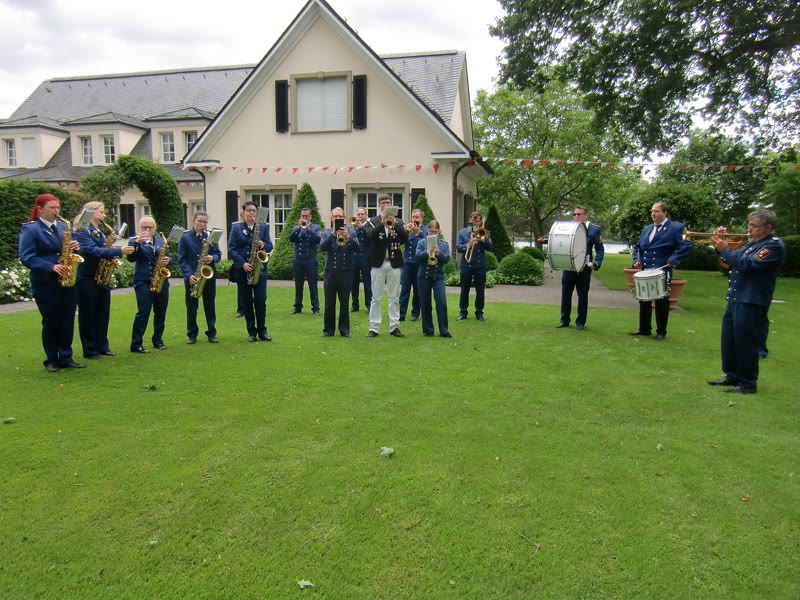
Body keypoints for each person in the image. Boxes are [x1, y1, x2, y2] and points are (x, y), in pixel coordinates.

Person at [707, 209, 785, 394]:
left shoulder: (773, 246)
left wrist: (725, 248)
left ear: (768, 228)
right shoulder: (751, 245)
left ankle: (748, 383)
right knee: (730, 340)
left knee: (745, 342)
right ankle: (732, 375)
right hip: (737, 297)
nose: (749, 229)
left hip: (751, 299)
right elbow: (730, 262)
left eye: (753, 226)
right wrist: (721, 246)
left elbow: (748, 265)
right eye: (749, 225)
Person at [18, 193, 85, 372]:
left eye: (58, 207)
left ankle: (66, 356)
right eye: (52, 208)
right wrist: (51, 266)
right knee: (51, 320)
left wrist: (76, 247)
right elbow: (26, 257)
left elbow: (70, 250)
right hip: (46, 282)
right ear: (40, 209)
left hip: (66, 281)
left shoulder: (64, 227)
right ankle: (51, 358)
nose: (57, 211)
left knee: (67, 319)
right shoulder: (30, 229)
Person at [75, 201, 135, 359]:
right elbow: (91, 250)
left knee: (102, 313)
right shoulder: (82, 231)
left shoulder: (98, 232)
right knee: (88, 314)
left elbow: (103, 249)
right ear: (90, 212)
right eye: (101, 212)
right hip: (87, 277)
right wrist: (118, 251)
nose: (104, 215)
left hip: (101, 276)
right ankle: (90, 349)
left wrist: (111, 250)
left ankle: (102, 346)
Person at [629, 202, 692, 340]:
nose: (653, 214)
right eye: (652, 211)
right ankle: (644, 329)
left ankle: (661, 332)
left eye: (656, 211)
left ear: (665, 212)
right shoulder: (647, 229)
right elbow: (638, 247)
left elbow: (686, 245)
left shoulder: (676, 228)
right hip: (646, 269)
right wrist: (636, 260)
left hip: (662, 270)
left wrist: (674, 259)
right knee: (644, 299)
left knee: (661, 301)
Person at [228, 202, 273, 342]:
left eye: (254, 211)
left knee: (260, 300)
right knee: (246, 302)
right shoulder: (236, 228)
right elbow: (231, 249)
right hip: (243, 270)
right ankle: (251, 332)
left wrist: (263, 244)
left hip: (259, 269)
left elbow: (270, 246)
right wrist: (242, 263)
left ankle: (262, 331)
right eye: (249, 210)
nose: (252, 213)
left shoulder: (262, 227)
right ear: (243, 213)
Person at [555, 205, 604, 330]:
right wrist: (545, 240)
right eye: (574, 214)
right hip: (569, 266)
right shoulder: (569, 228)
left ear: (585, 215)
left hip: (584, 267)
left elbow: (600, 249)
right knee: (566, 293)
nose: (576, 216)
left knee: (582, 295)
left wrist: (597, 263)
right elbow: (558, 238)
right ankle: (564, 320)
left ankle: (580, 322)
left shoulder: (594, 230)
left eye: (579, 214)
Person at [127, 216, 171, 353]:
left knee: (160, 312)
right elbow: (130, 258)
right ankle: (136, 343)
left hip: (160, 281)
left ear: (154, 228)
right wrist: (137, 244)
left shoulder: (161, 241)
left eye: (150, 227)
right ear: (139, 228)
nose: (147, 230)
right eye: (144, 227)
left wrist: (168, 260)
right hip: (143, 281)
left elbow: (169, 258)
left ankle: (158, 340)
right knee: (143, 311)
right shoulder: (134, 241)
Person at [366, 196, 408, 337]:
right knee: (376, 297)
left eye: (388, 203)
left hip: (393, 262)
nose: (385, 204)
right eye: (383, 203)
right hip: (377, 263)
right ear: (379, 205)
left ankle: (394, 326)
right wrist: (382, 222)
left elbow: (405, 238)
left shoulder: (399, 222)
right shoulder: (373, 221)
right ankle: (374, 327)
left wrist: (394, 224)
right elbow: (369, 236)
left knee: (394, 297)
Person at [178, 211, 222, 344]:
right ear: (193, 221)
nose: (203, 224)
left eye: (205, 222)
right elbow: (182, 259)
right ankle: (192, 334)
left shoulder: (210, 237)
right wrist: (189, 275)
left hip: (208, 277)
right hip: (193, 277)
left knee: (210, 305)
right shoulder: (185, 237)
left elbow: (218, 254)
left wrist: (212, 258)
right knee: (191, 307)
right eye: (200, 221)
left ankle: (211, 333)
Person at [320, 207, 359, 337]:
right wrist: (333, 234)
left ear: (344, 218)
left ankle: (344, 330)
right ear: (331, 218)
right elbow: (322, 247)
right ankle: (328, 330)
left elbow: (358, 249)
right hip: (330, 271)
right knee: (329, 303)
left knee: (344, 302)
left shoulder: (351, 232)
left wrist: (348, 238)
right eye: (335, 217)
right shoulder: (326, 233)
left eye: (340, 217)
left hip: (345, 271)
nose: (338, 219)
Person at [415, 220, 451, 338]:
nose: (433, 234)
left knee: (441, 302)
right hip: (423, 276)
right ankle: (428, 329)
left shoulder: (443, 244)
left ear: (439, 231)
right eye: (431, 231)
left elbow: (446, 259)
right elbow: (418, 257)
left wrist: (438, 253)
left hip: (438, 276)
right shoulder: (421, 242)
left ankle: (444, 330)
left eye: (435, 232)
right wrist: (427, 252)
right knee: (425, 303)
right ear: (427, 230)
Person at [456, 211, 494, 321]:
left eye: (477, 221)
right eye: (473, 221)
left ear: (480, 222)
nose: (475, 223)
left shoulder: (485, 232)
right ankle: (463, 312)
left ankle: (479, 313)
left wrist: (482, 239)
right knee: (464, 290)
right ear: (469, 220)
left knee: (480, 290)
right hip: (466, 264)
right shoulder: (462, 232)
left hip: (479, 265)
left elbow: (490, 248)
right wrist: (468, 244)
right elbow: (458, 248)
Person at [288, 207, 321, 315]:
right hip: (298, 259)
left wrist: (308, 230)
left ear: (310, 216)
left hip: (310, 259)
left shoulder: (316, 227)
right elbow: (291, 238)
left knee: (313, 284)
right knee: (298, 285)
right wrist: (298, 228)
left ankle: (315, 307)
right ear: (300, 216)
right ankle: (297, 306)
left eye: (307, 216)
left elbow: (319, 240)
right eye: (303, 216)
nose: (305, 218)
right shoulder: (295, 227)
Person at [399, 208, 427, 322]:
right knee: (404, 289)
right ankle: (401, 313)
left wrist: (418, 232)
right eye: (413, 217)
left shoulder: (425, 230)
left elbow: (427, 242)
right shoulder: (408, 229)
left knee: (417, 290)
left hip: (419, 263)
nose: (415, 219)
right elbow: (400, 242)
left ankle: (415, 313)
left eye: (417, 217)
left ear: (422, 218)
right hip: (407, 263)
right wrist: (406, 232)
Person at [350, 207, 373, 312]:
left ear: (366, 215)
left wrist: (361, 228)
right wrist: (355, 228)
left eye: (362, 214)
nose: (360, 216)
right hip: (354, 257)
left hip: (365, 257)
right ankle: (355, 305)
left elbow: (370, 237)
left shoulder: (369, 226)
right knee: (354, 282)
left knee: (367, 282)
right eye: (358, 214)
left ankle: (369, 305)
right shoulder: (353, 227)